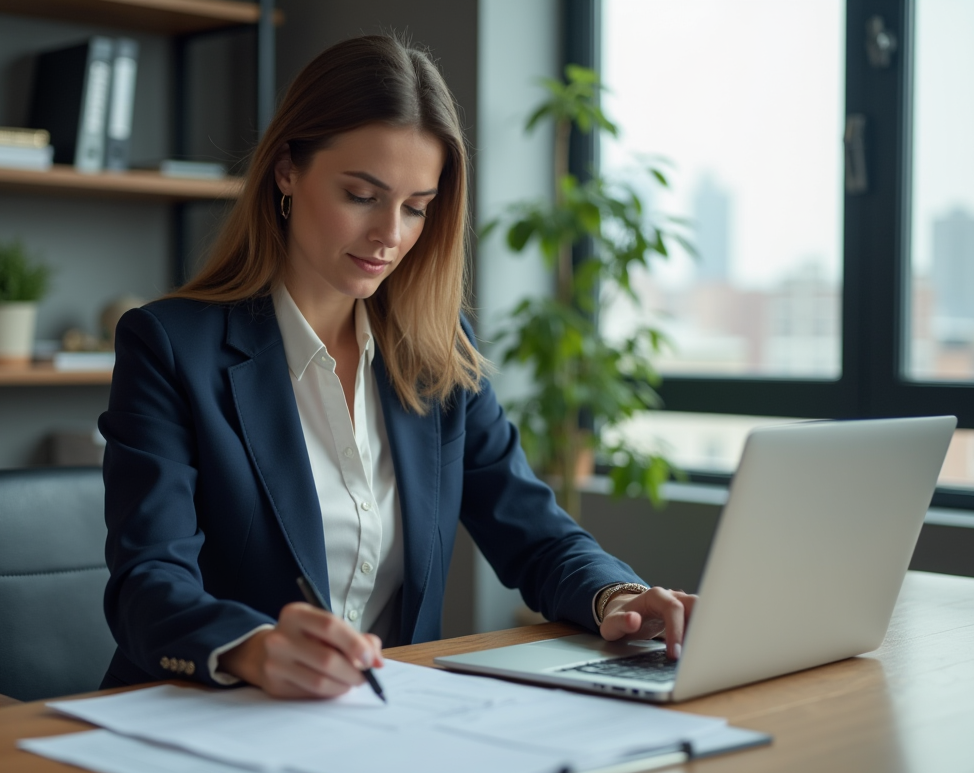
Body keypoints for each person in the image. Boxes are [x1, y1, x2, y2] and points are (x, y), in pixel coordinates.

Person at [99, 34, 695, 699]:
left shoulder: (439, 353)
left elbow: (538, 537)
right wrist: (255, 649)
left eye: (416, 208)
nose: (391, 235)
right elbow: (146, 585)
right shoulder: (170, 346)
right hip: (201, 717)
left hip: (380, 723)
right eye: (362, 195)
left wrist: (618, 596)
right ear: (288, 170)